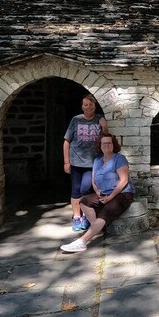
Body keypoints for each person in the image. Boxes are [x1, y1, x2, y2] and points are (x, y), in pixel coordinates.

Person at [61, 133, 133, 253]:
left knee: (106, 211)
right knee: (83, 201)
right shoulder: (97, 161)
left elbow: (124, 180)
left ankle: (82, 242)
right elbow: (94, 181)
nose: (106, 145)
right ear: (99, 146)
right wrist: (98, 192)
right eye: (103, 143)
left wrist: (110, 197)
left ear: (113, 145)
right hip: (104, 194)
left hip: (122, 194)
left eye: (109, 143)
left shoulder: (119, 158)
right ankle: (96, 228)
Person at [63, 94, 108, 231]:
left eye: (91, 104)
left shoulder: (99, 119)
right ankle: (77, 217)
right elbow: (66, 141)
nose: (88, 107)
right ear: (82, 107)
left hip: (92, 163)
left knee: (85, 188)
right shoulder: (76, 120)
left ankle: (85, 215)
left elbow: (106, 138)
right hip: (76, 161)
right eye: (85, 105)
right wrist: (66, 162)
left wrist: (104, 126)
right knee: (76, 190)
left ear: (95, 106)